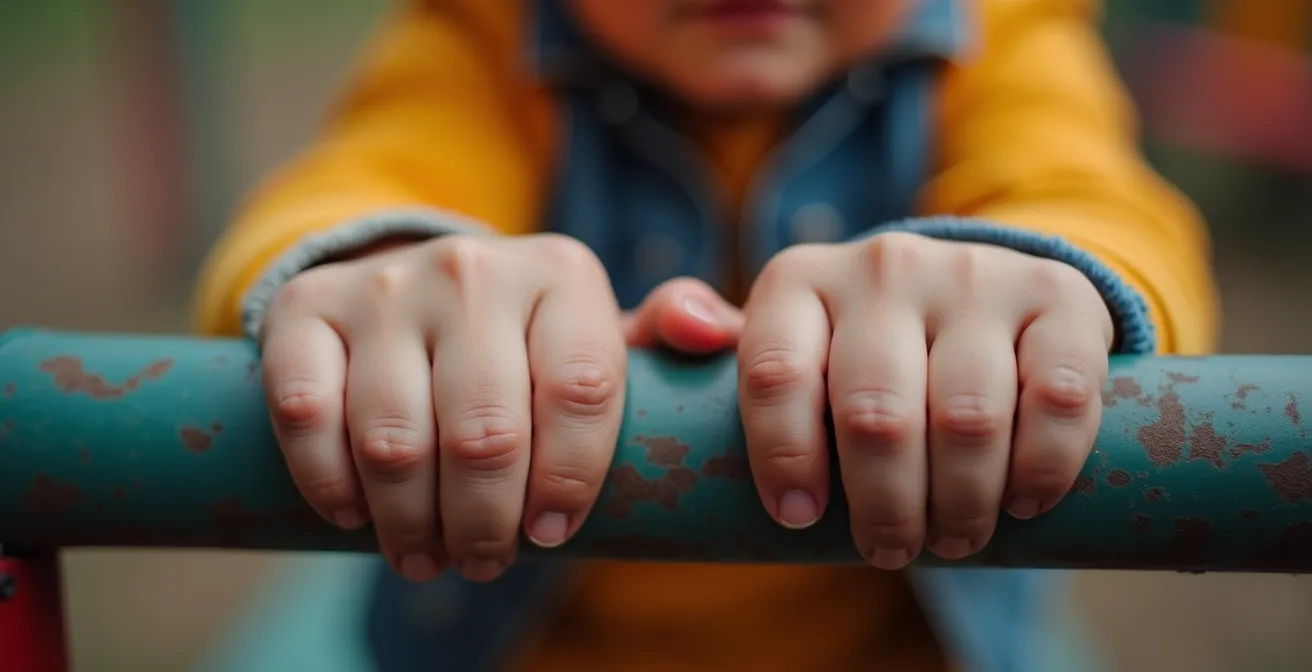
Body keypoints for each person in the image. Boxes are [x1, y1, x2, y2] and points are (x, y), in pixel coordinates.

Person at [193, 0, 1219, 669]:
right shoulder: (484, 37)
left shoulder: (1003, 36)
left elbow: (1098, 201)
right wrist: (384, 269)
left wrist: (1038, 277)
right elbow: (370, 172)